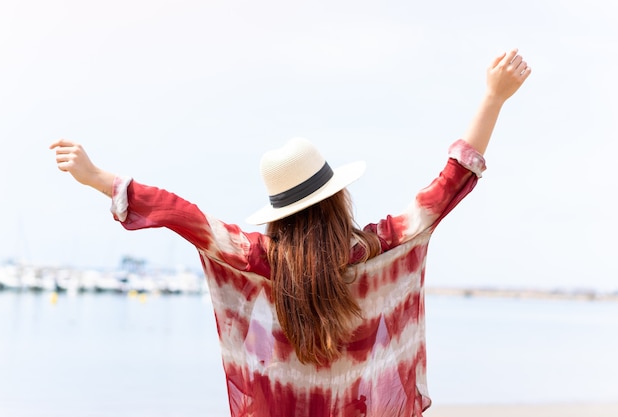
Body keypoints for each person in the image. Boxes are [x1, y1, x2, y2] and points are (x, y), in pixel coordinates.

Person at [50, 49, 531, 417]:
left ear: (279, 214)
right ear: (337, 196)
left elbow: (182, 214)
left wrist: (99, 179)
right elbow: (448, 183)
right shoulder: (377, 248)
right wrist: (493, 97)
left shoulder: (257, 258)